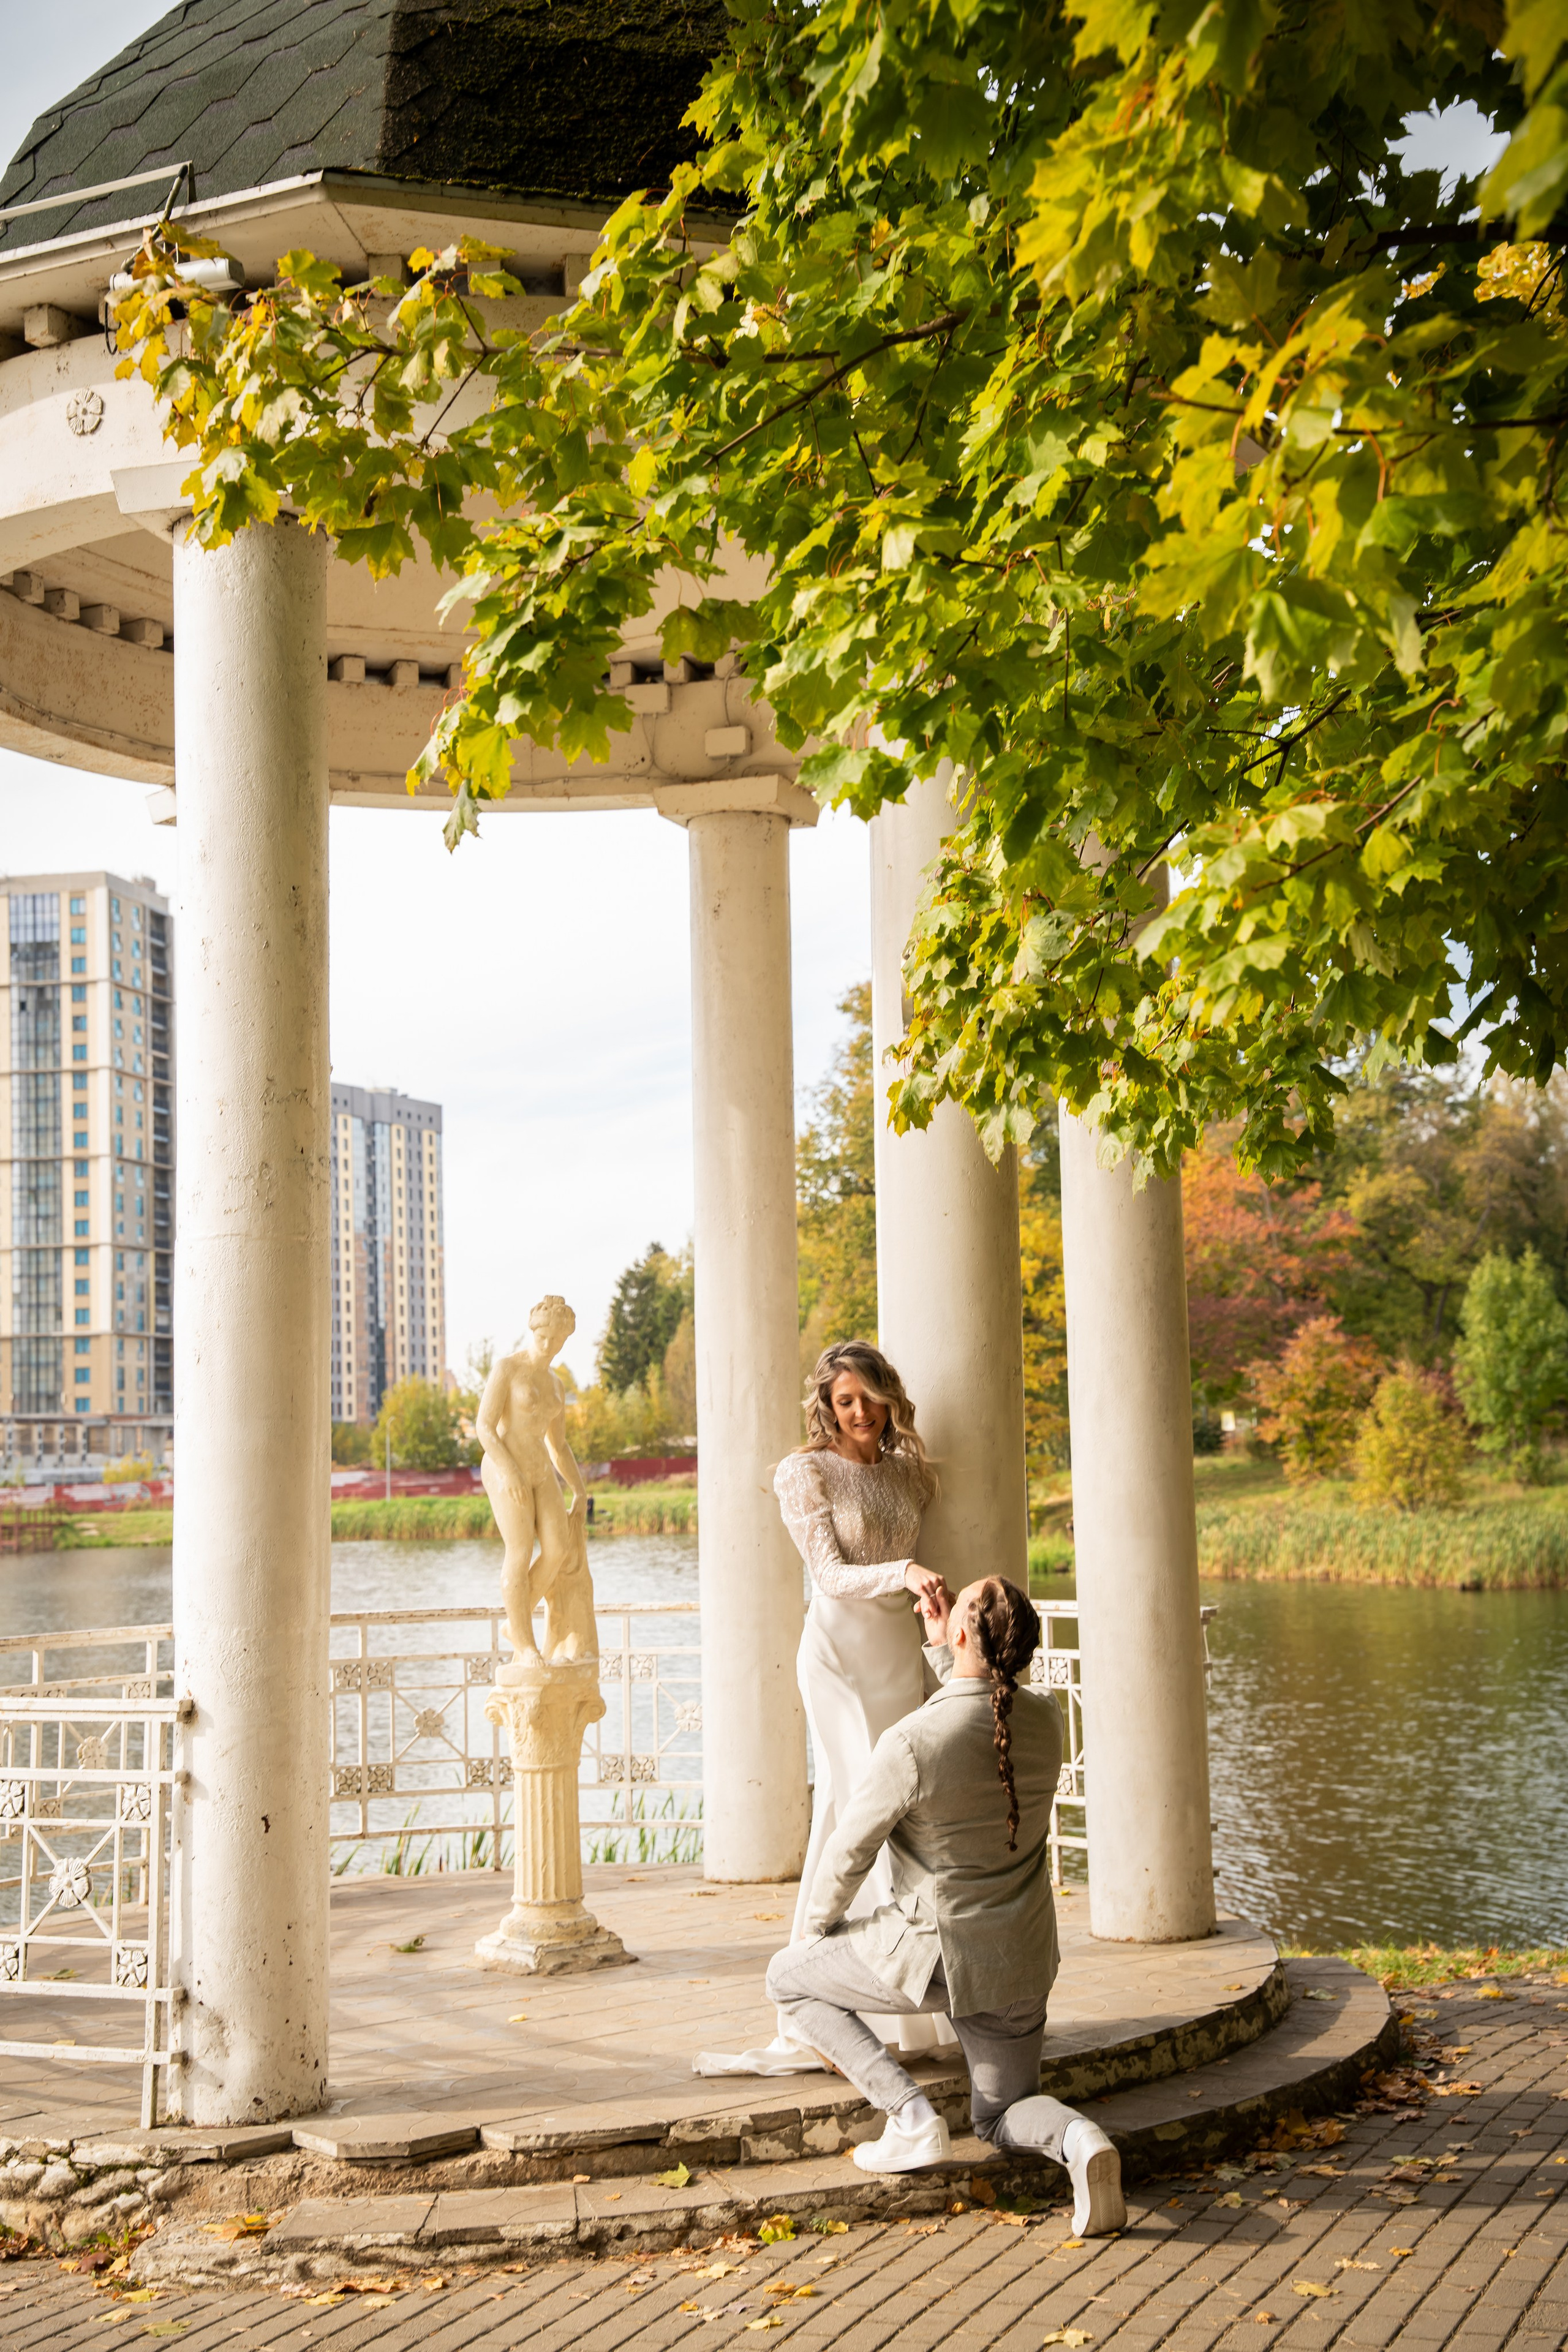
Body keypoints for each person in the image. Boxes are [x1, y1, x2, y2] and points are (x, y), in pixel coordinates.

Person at [764, 1575, 1126, 2237]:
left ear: (961, 1632)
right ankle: (1081, 2143)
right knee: (1002, 2113)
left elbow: (849, 1853)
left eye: (958, 1607)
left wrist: (815, 1937)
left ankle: (908, 2116)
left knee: (786, 1979)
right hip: (1019, 1962)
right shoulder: (1046, 1719)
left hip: (934, 1959)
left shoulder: (908, 1743)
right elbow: (980, 1719)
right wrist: (945, 1650)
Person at [774, 1342, 957, 2056]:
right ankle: (810, 1990)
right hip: (839, 1656)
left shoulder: (909, 1476)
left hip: (894, 1648)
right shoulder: (804, 1472)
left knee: (907, 1808)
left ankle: (905, 2003)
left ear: (889, 1397)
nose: (860, 1414)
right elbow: (828, 1574)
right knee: (853, 1805)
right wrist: (907, 1568)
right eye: (844, 1401)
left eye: (870, 1399)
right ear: (826, 1404)